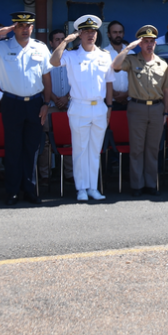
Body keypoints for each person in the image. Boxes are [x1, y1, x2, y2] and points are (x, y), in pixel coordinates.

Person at [0, 11, 52, 205]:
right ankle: (12, 192)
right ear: (14, 27)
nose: (25, 29)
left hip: (35, 103)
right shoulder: (2, 46)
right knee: (13, 149)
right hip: (12, 103)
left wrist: (46, 103)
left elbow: (46, 77)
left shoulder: (40, 48)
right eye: (20, 26)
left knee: (31, 149)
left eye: (28, 26)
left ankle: (29, 189)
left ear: (32, 28)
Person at [49, 16, 113, 201]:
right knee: (80, 149)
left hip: (99, 107)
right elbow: (54, 62)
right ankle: (81, 189)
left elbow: (109, 83)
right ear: (79, 34)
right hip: (79, 106)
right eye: (86, 32)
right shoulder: (71, 55)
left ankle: (93, 187)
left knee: (95, 150)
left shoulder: (104, 56)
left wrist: (109, 107)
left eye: (93, 31)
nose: (90, 35)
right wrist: (66, 41)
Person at [111, 25, 168, 197]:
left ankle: (151, 184)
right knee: (137, 149)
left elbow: (166, 90)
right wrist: (128, 48)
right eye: (145, 42)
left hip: (157, 108)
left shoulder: (162, 64)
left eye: (152, 41)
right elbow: (115, 65)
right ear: (140, 44)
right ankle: (137, 185)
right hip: (137, 108)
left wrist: (166, 112)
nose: (149, 45)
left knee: (153, 149)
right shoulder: (132, 59)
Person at [39, 29, 73, 185]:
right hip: (51, 105)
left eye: (62, 39)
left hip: (69, 105)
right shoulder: (45, 59)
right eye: (57, 39)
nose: (60, 42)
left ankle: (69, 173)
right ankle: (45, 174)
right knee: (46, 142)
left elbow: (78, 82)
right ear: (51, 43)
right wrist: (54, 98)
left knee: (68, 140)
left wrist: (66, 98)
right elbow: (41, 83)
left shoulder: (72, 57)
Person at [103, 20, 130, 112]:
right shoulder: (103, 54)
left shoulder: (131, 53)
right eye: (115, 32)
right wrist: (113, 94)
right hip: (110, 102)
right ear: (108, 34)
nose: (118, 35)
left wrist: (126, 94)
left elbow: (136, 78)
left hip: (129, 101)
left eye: (120, 32)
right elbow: (101, 78)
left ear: (123, 34)